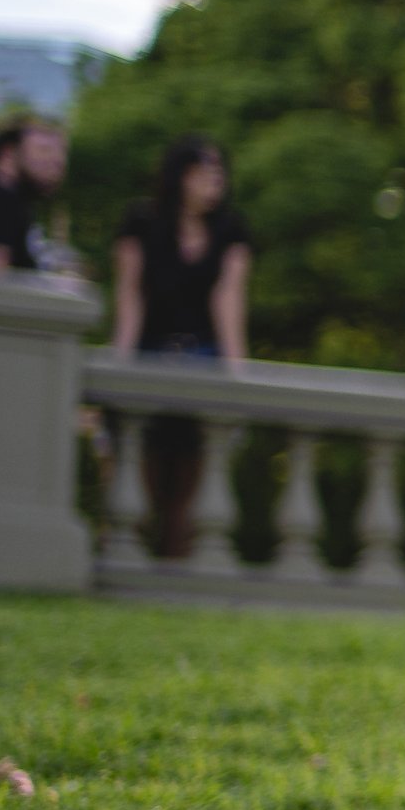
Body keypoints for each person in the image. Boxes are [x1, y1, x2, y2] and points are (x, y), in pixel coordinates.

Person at [109, 135, 250, 557]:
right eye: (204, 172)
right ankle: (131, 555)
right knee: (140, 466)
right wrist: (120, 362)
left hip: (203, 355)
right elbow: (131, 296)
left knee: (192, 477)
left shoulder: (230, 229)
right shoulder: (141, 221)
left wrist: (237, 373)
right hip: (151, 351)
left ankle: (176, 557)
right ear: (180, 176)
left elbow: (228, 301)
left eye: (219, 172)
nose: (215, 181)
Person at [0, 113, 75, 278]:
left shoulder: (16, 204)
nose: (58, 161)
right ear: (9, 152)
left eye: (62, 152)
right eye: (44, 150)